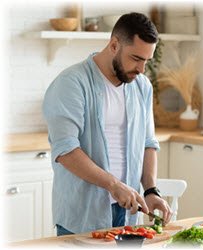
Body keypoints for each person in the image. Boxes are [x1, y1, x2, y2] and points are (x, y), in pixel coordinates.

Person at [43, 12, 172, 236]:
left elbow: (148, 143)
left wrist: (151, 189)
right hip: (82, 213)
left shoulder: (142, 86)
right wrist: (114, 185)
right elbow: (65, 150)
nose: (142, 70)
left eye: (146, 61)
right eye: (136, 58)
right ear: (114, 45)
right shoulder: (71, 83)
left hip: (127, 211)